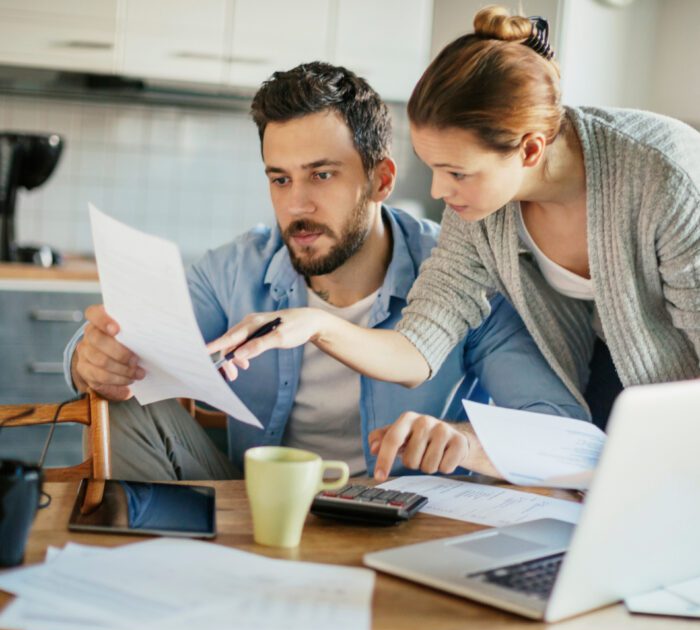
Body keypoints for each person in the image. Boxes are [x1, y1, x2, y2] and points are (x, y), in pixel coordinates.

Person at [210, 9, 700, 479]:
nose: (438, 192)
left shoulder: (666, 177)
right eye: (434, 168)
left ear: (529, 149)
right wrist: (318, 325)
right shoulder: (481, 209)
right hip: (607, 384)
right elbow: (417, 348)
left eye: (455, 172)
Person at [65, 61, 585, 482]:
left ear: (381, 180)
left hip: (403, 518)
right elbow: (130, 349)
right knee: (121, 403)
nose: (297, 205)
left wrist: (465, 440)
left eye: (322, 174)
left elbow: (560, 431)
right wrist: (90, 359)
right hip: (257, 505)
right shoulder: (233, 269)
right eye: (280, 179)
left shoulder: (463, 276)